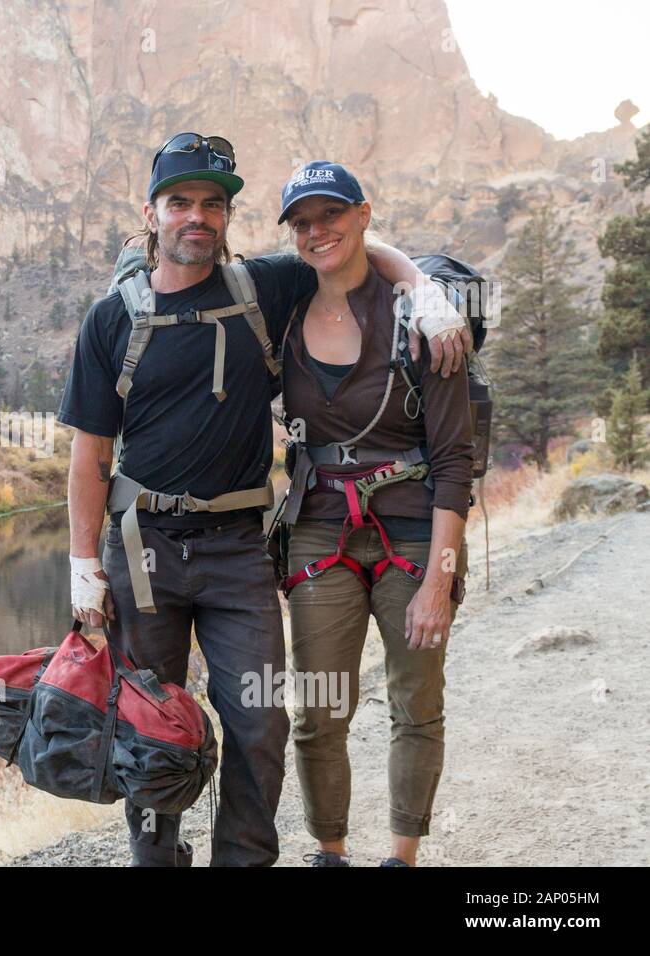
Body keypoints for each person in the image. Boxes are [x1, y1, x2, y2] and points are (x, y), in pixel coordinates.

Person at [59, 133, 469, 866]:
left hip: (237, 551)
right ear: (150, 213)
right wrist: (80, 563)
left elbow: (347, 246)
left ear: (227, 216)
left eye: (213, 204)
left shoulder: (264, 285)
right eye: (179, 201)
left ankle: (244, 859)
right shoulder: (110, 319)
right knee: (151, 721)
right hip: (140, 550)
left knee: (259, 718)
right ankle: (156, 856)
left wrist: (424, 288)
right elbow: (90, 454)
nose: (197, 217)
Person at [274, 161, 473, 867]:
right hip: (318, 532)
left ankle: (402, 857)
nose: (316, 231)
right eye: (302, 222)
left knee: (415, 702)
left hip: (417, 532)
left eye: (331, 214)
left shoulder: (427, 324)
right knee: (318, 713)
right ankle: (330, 853)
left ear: (363, 214)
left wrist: (438, 580)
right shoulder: (286, 305)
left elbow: (455, 465)